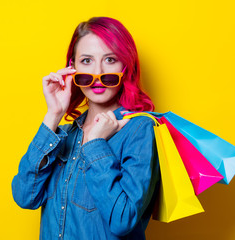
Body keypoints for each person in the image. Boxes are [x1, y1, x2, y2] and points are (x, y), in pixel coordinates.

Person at [12, 16, 160, 240]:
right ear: (73, 67)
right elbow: (25, 196)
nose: (98, 73)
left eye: (110, 59)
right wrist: (53, 115)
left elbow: (123, 220)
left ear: (125, 66)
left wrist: (95, 145)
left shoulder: (139, 129)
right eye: (87, 60)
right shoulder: (65, 134)